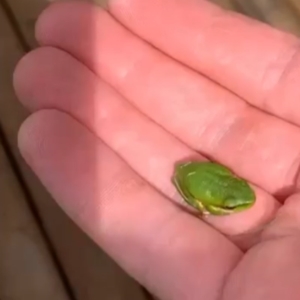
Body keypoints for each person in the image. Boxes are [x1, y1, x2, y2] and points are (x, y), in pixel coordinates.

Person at [13, 0, 300, 299]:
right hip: (193, 180)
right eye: (231, 204)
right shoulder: (220, 202)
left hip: (204, 175)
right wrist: (207, 206)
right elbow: (213, 196)